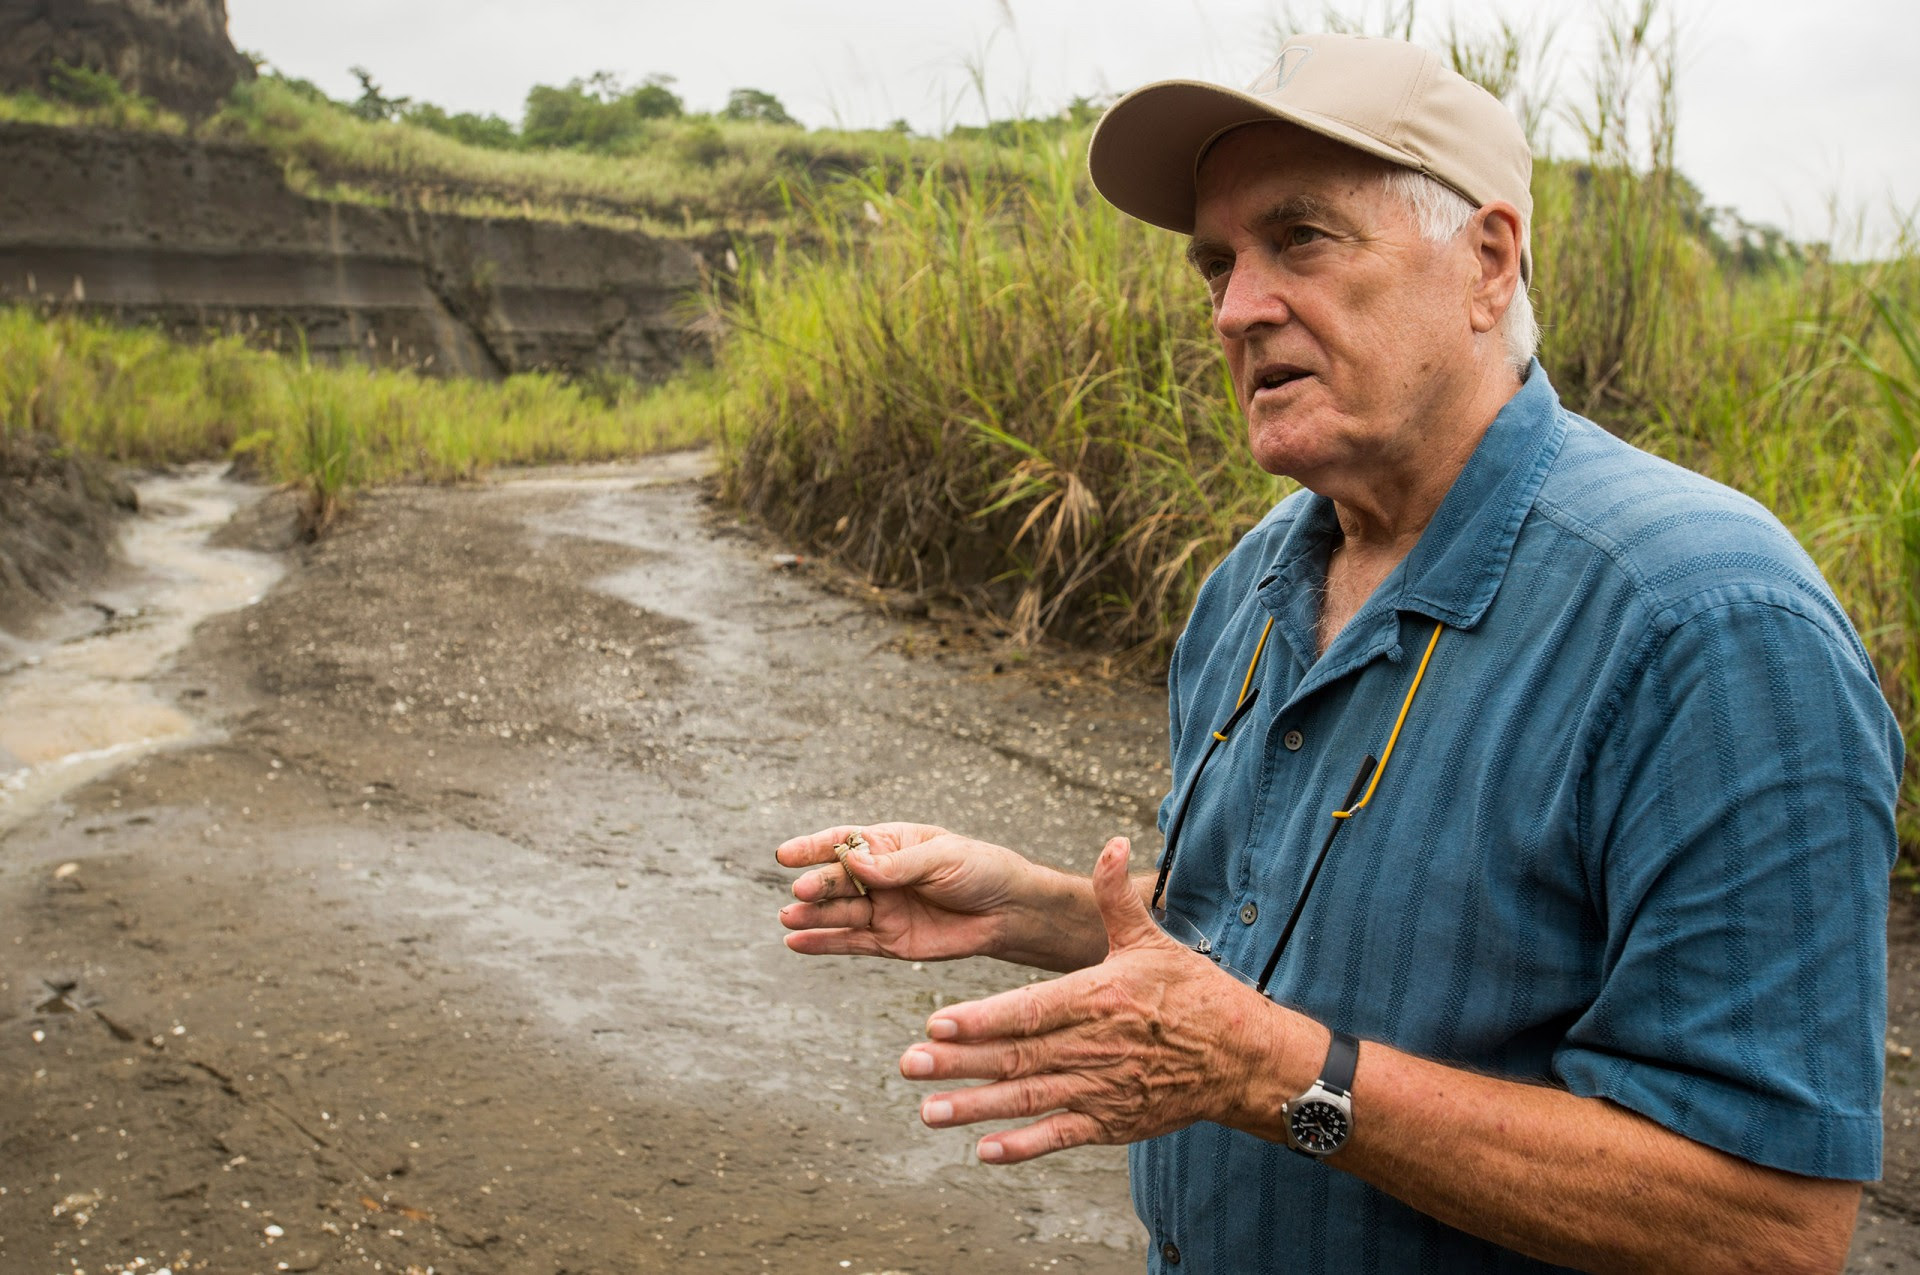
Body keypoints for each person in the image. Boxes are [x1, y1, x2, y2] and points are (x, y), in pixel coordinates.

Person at [776, 31, 1903, 1274]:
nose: (1236, 306)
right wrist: (1033, 910)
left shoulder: (1705, 625)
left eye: (1300, 238)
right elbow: (1257, 942)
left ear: (1486, 262)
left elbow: (1769, 1226)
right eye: (1217, 261)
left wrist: (1272, 1078)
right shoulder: (1251, 586)